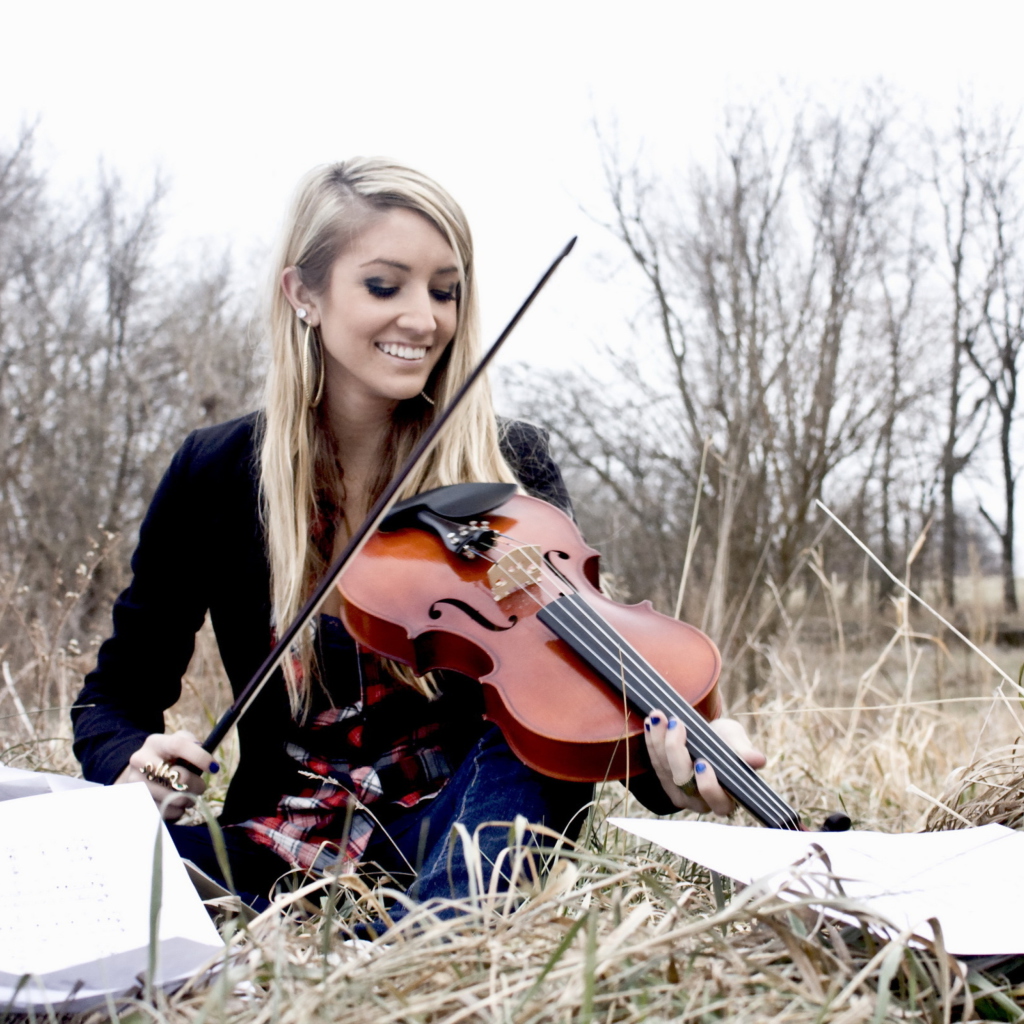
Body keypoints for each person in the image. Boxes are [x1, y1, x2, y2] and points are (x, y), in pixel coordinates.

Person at [73, 159, 765, 915]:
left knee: (532, 741)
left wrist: (674, 755)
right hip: (275, 841)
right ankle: (391, 936)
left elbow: (573, 692)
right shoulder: (215, 471)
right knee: (73, 862)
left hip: (462, 829)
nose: (424, 318)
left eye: (446, 291)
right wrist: (128, 760)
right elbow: (116, 696)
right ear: (304, 293)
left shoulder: (511, 465)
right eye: (384, 285)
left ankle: (431, 942)